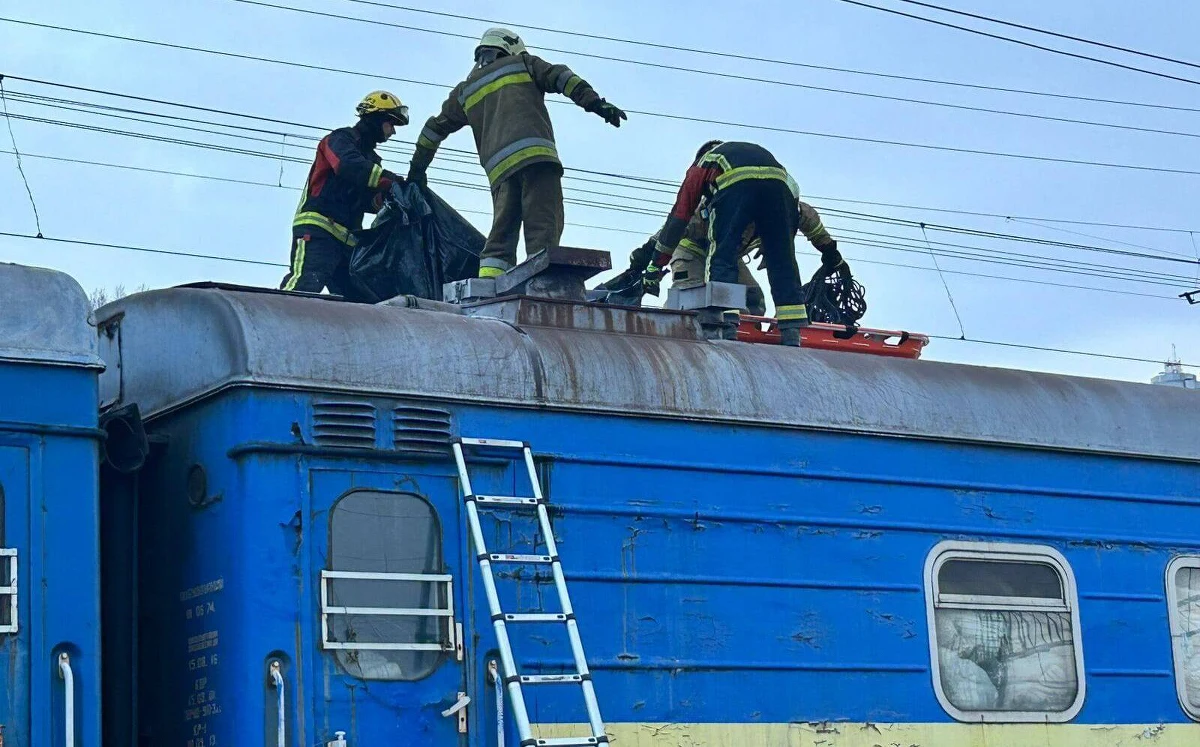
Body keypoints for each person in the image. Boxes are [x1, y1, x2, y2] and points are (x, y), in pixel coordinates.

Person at [407, 27, 626, 278]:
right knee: (542, 227)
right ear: (510, 47)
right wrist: (596, 103)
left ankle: (488, 283)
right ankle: (541, 281)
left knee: (501, 235)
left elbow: (432, 130)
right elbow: (561, 77)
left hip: (500, 173)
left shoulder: (465, 91)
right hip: (537, 161)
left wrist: (417, 171)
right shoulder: (523, 63)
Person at [645, 140, 846, 346]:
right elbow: (674, 227)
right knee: (693, 298)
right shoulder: (703, 208)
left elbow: (811, 224)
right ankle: (691, 332)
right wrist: (650, 262)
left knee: (752, 296)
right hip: (692, 253)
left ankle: (779, 330)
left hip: (728, 256)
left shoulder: (723, 183)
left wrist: (832, 254)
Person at [280, 91, 409, 295]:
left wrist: (388, 198)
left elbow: (365, 199)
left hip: (348, 242)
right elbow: (348, 166)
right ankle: (277, 313)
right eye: (391, 123)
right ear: (377, 118)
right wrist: (391, 180)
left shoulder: (371, 159)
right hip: (319, 230)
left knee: (357, 302)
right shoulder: (340, 139)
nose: (393, 131)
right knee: (304, 286)